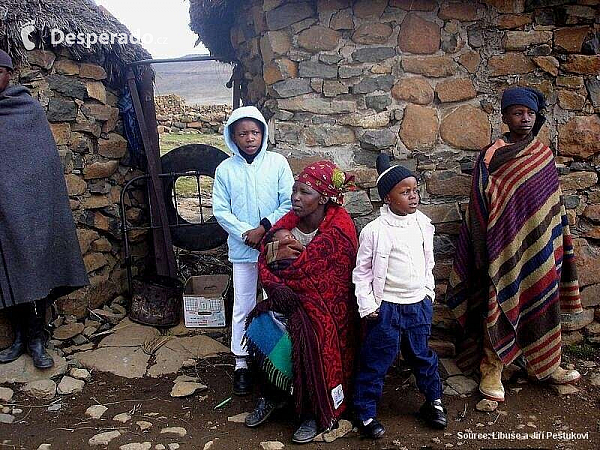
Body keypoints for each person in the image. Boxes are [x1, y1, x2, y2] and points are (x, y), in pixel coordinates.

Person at [446, 87, 582, 403]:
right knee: (498, 300)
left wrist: (555, 240)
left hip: (541, 246)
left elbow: (553, 206)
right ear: (505, 116)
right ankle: (491, 368)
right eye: (518, 113)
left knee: (543, 295)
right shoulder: (491, 157)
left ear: (536, 117)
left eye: (530, 114)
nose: (524, 119)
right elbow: (479, 207)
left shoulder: (543, 155)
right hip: (502, 248)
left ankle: (547, 364)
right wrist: (483, 253)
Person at [243, 160, 359, 444]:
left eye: (305, 192)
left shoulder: (339, 229)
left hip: (327, 309)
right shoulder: (288, 224)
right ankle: (274, 394)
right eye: (295, 190)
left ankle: (313, 410)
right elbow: (265, 258)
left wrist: (288, 278)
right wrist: (278, 287)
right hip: (288, 300)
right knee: (262, 325)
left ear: (322, 197)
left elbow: (319, 274)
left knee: (312, 339)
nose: (296, 197)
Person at [0, 49, 89, 369]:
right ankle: (20, 337)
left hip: (29, 208)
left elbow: (41, 162)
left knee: (32, 266)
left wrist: (19, 193)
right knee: (7, 271)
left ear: (10, 74)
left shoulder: (26, 109)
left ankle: (37, 339)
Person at [352, 154, 447, 438]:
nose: (413, 197)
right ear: (388, 199)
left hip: (417, 306)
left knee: (422, 356)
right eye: (405, 192)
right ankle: (365, 412)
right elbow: (362, 272)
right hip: (387, 309)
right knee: (377, 359)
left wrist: (428, 293)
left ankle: (434, 402)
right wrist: (369, 305)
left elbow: (428, 262)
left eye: (415, 190)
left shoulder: (423, 225)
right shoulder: (375, 231)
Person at [212, 105, 294, 396]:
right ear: (232, 137)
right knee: (243, 303)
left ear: (263, 133)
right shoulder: (225, 170)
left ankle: (276, 360)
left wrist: (264, 228)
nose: (249, 138)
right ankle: (242, 361)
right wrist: (245, 233)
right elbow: (220, 210)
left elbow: (287, 202)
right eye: (242, 133)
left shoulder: (277, 163)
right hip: (243, 247)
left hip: (273, 246)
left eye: (255, 132)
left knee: (274, 300)